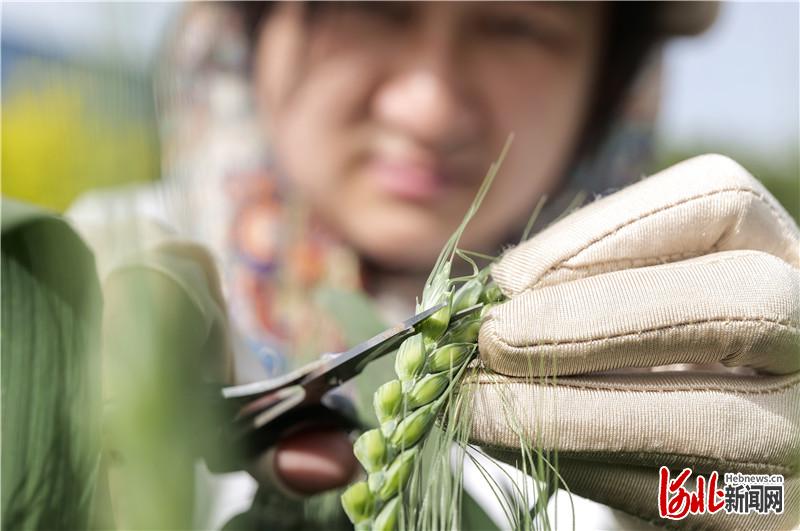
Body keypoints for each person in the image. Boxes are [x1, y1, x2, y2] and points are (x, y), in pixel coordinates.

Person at [67, 2, 798, 529]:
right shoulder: (76, 267)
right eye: (373, 6)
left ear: (607, 81)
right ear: (250, 27)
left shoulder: (675, 375)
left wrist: (764, 500)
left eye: (519, 24)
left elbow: (727, 498)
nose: (428, 107)